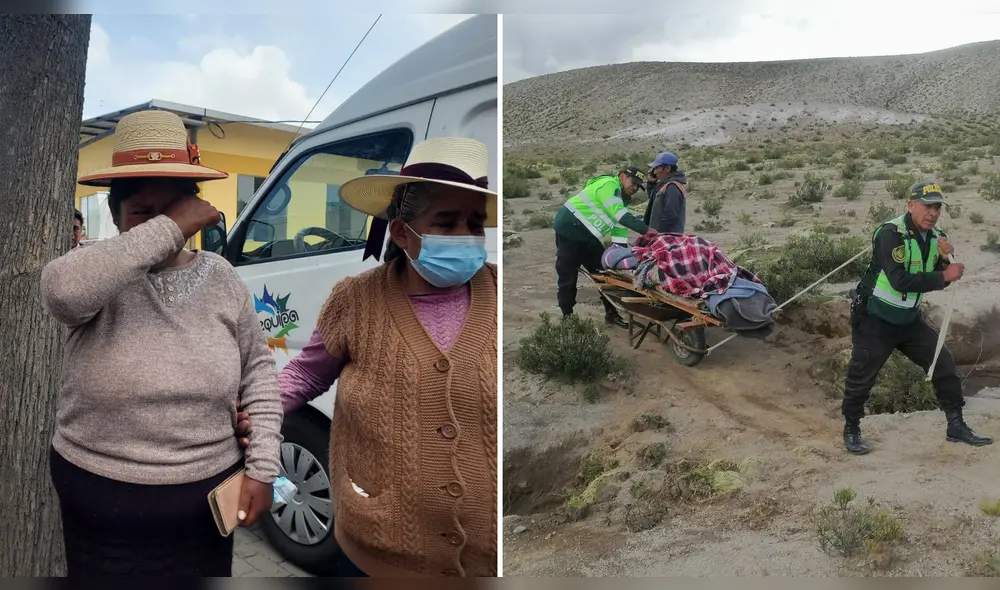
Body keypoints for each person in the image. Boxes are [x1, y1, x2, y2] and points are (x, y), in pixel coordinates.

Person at [237, 137, 498, 577]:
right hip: (378, 549)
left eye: (475, 224)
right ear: (401, 232)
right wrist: (254, 411)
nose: (465, 236)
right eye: (446, 222)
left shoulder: (500, 295)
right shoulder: (356, 300)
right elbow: (305, 375)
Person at [41, 110, 283, 577]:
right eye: (142, 211)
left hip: (207, 495)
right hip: (99, 495)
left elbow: (258, 371)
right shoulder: (95, 269)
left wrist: (262, 467)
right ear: (115, 215)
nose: (165, 223)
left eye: (174, 207)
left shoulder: (220, 276)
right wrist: (171, 224)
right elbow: (62, 295)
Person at [842, 181, 992, 455]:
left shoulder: (936, 236)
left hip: (909, 319)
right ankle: (851, 429)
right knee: (862, 375)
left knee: (943, 364)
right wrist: (945, 275)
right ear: (910, 205)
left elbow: (935, 275)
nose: (932, 213)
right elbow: (900, 280)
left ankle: (956, 425)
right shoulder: (890, 234)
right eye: (927, 206)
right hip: (876, 317)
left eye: (937, 207)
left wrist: (946, 260)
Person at [552, 165, 648, 327]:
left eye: (638, 186)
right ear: (622, 176)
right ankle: (567, 318)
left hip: (590, 237)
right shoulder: (608, 185)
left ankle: (611, 314)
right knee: (568, 276)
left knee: (606, 275)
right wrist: (648, 231)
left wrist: (622, 255)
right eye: (633, 182)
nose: (634, 188)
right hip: (569, 232)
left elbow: (619, 230)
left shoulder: (623, 200)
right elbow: (620, 216)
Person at [643, 151, 687, 234]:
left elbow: (670, 215)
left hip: (667, 238)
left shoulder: (672, 187)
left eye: (657, 168)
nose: (654, 172)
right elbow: (655, 202)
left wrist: (657, 234)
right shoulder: (665, 184)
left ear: (667, 168)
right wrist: (651, 183)